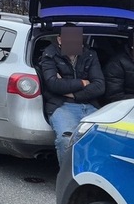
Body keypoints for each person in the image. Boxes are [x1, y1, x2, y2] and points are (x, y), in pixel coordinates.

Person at [38, 25, 105, 165]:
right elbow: (54, 85)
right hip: (61, 105)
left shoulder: (90, 54)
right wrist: (82, 82)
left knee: (105, 138)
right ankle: (68, 181)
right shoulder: (50, 55)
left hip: (90, 104)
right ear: (60, 40)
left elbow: (99, 86)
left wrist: (72, 93)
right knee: (66, 139)